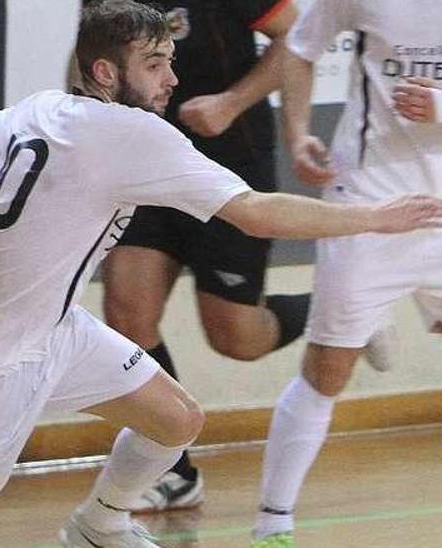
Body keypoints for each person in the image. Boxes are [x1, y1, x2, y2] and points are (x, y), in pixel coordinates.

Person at [0, 2, 442, 547]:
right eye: (155, 63)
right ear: (107, 73)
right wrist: (373, 216)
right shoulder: (133, 133)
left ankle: (99, 524)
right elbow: (257, 213)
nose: (172, 77)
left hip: (56, 330)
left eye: (170, 59)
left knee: (176, 419)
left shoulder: (35, 110)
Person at [248, 1, 442, 547]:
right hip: (368, 203)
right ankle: (273, 529)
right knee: (327, 369)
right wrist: (296, 135)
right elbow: (297, 49)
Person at [97, 0, 307, 513]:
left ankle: (339, 310)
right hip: (146, 163)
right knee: (127, 309)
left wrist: (232, 102)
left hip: (229, 163)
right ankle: (173, 472)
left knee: (234, 336)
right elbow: (92, 60)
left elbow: (296, 39)